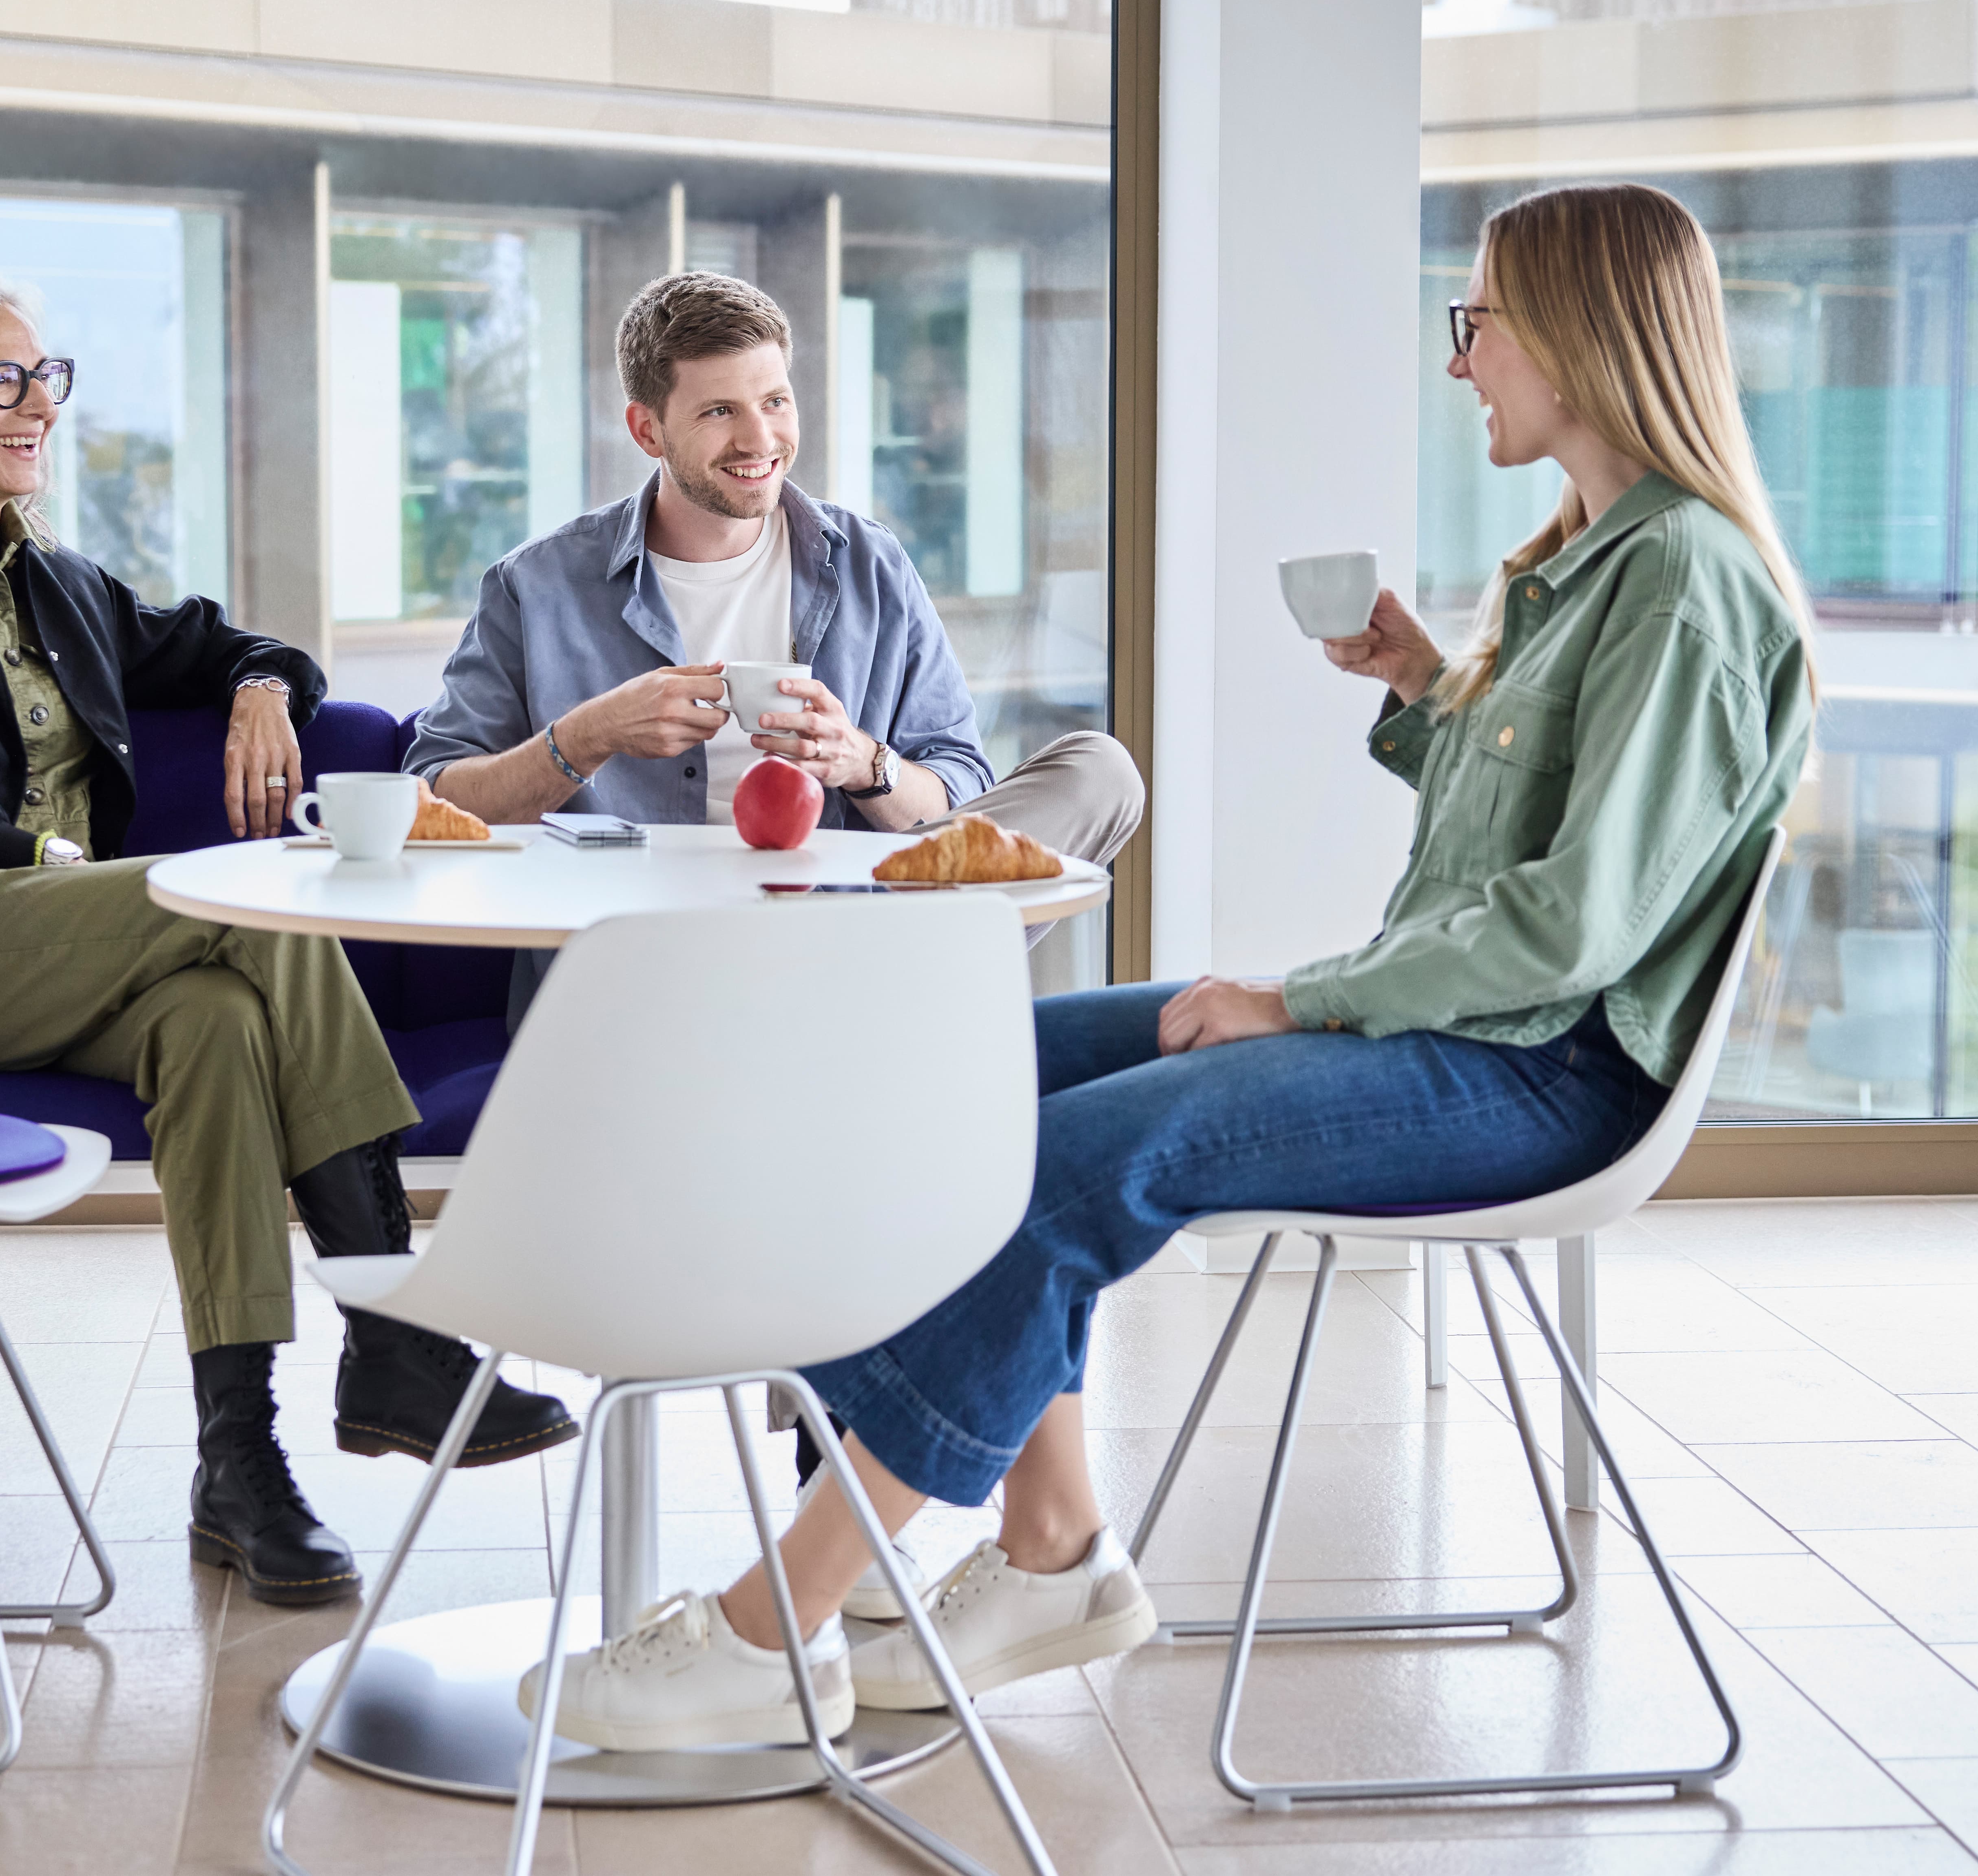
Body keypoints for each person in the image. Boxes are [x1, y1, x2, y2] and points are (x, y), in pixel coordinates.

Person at [519, 182, 1819, 1750]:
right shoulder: (1584, 563)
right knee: (947, 1083)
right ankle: (1050, 1543)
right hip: (1464, 1023)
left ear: (1582, 337)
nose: (1461, 359)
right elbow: (1538, 827)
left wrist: (1295, 998)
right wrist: (1426, 689)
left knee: (1061, 1167)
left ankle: (767, 1621)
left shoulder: (1678, 582)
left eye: (1479, 322)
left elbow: (1574, 925)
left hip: (1536, 1069)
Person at [0, 272, 574, 1610]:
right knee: (255, 898)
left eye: (45, 377)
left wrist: (256, 689)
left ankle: (236, 1464)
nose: (35, 408)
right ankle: (392, 1330)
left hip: (75, 950)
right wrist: (55, 860)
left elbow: (246, 645)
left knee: (216, 1021)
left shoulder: (59, 583)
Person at [409, 269, 1142, 880]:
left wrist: (862, 761)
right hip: (636, 940)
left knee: (1100, 768)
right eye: (721, 411)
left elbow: (958, 796)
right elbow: (433, 799)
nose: (761, 440)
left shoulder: (871, 565)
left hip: (843, 922)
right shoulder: (536, 586)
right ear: (648, 430)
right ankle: (916, 992)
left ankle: (889, 976)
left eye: (776, 402)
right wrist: (588, 736)